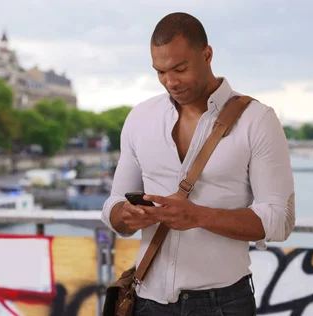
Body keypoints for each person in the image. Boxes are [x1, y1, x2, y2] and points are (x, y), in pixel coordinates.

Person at [101, 12, 295, 316]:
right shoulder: (140, 117)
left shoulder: (258, 120)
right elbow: (114, 202)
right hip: (146, 299)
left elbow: (280, 220)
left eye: (179, 68)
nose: (170, 81)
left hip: (223, 304)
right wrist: (124, 216)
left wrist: (199, 216)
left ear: (207, 55)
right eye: (160, 71)